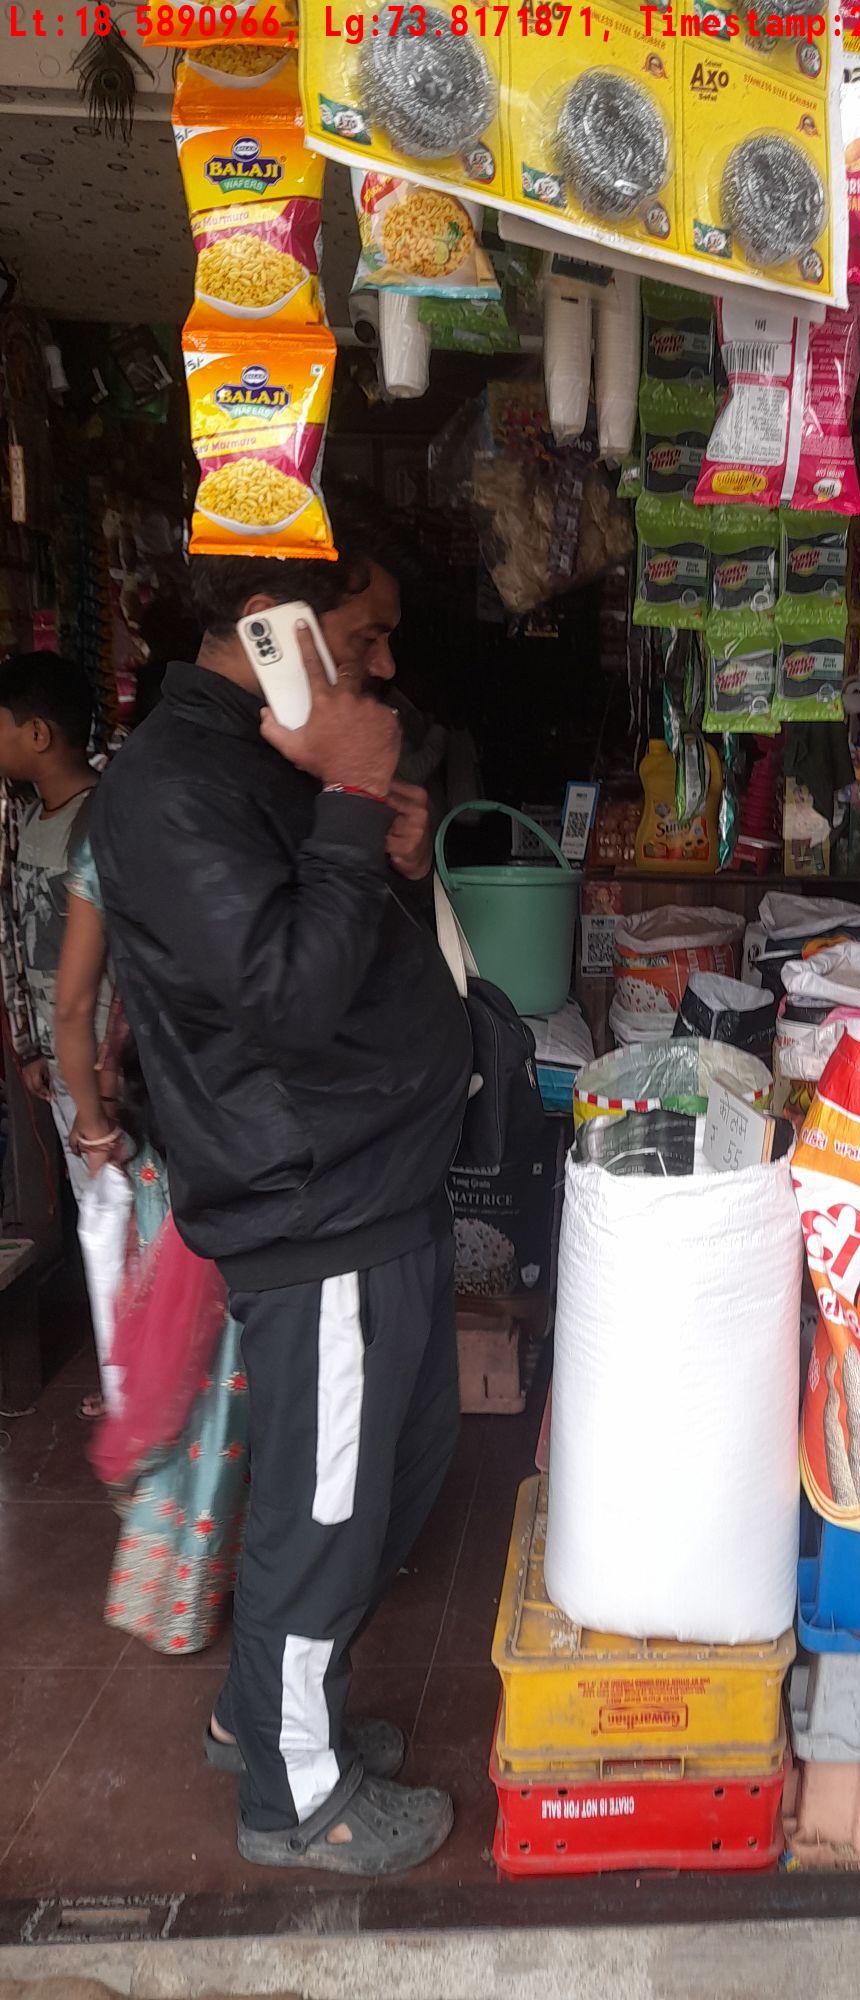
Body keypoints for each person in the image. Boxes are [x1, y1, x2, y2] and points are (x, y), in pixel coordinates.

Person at [89, 496, 473, 1877]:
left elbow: (333, 950)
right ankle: (294, 1796)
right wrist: (352, 802)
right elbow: (288, 1003)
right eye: (366, 635)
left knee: (384, 1483)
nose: (384, 666)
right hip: (319, 1205)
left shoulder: (268, 755)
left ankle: (265, 1712)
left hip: (373, 1185)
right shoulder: (170, 787)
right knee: (325, 1514)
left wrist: (389, 855)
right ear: (273, 627)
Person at [53, 831, 249, 1656]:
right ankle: (240, 1571)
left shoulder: (109, 835)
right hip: (241, 1109)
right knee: (235, 1357)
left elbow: (72, 1006)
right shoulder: (233, 805)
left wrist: (94, 1124)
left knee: (179, 1351)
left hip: (155, 1107)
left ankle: (180, 1588)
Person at [0, 650, 129, 1413]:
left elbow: (131, 965)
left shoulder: (101, 822)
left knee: (124, 1220)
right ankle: (125, 1381)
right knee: (98, 1217)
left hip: (105, 1068)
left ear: (38, 734)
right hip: (58, 1061)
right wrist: (28, 1044)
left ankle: (136, 1387)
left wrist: (107, 1072)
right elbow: (14, 941)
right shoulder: (24, 821)